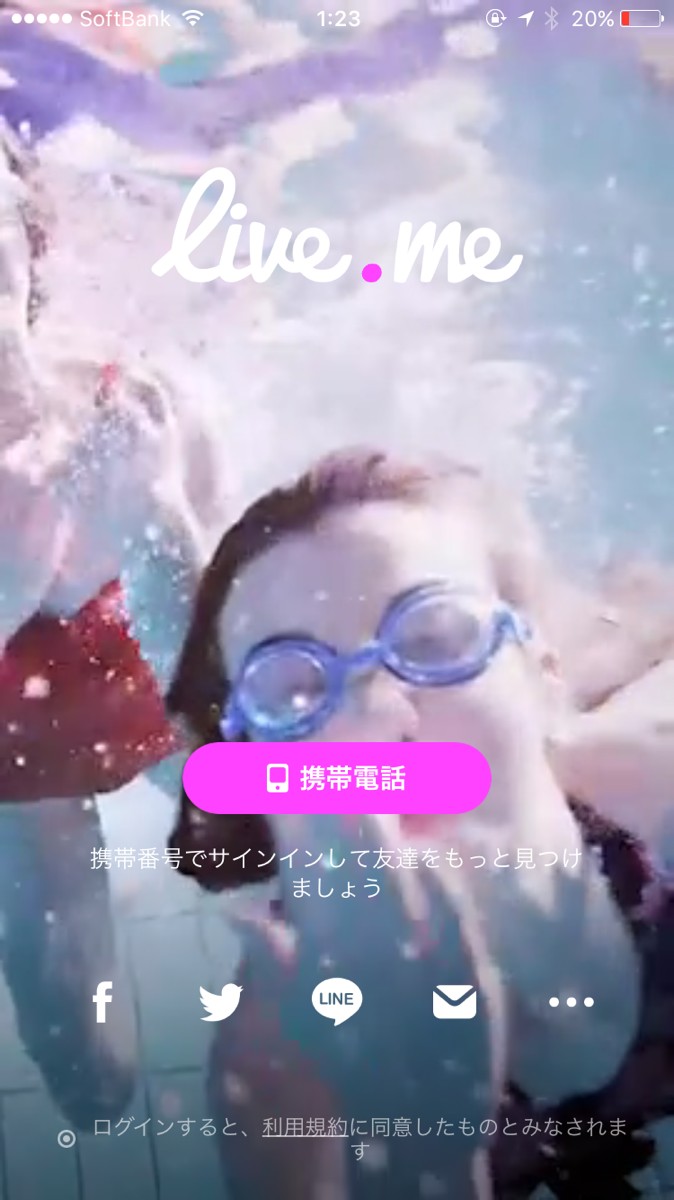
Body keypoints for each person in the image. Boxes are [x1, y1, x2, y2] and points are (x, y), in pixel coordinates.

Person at [167, 447, 674, 1197]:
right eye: (293, 692)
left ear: (542, 674)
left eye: (433, 639)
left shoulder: (657, 793)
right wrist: (420, 1156)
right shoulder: (286, 1044)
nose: (374, 722)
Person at [0, 121, 207, 1126]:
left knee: (291, 815)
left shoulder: (129, 397)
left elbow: (226, 634)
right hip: (18, 772)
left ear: (26, 237)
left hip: (155, 698)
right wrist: (18, 579)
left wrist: (156, 517)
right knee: (95, 1081)